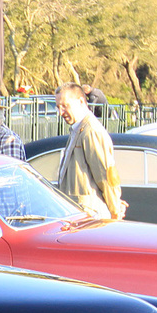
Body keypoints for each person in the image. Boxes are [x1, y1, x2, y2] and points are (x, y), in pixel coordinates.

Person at [53, 83, 125, 220]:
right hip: (78, 216)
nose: (60, 112)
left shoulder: (91, 131)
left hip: (90, 218)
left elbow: (106, 176)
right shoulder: (78, 128)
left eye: (65, 106)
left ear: (81, 102)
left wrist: (115, 211)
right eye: (58, 107)